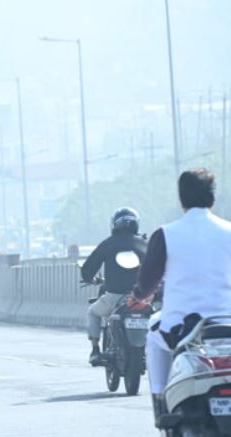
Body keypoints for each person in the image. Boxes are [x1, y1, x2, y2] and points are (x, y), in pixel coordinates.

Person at [130, 168, 231, 428]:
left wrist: (140, 296)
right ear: (212, 198)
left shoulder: (166, 234)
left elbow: (148, 281)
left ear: (181, 199)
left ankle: (160, 402)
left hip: (183, 329)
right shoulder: (229, 231)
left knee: (153, 334)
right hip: (227, 323)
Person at [81, 207, 148, 366]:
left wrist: (91, 279)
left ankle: (95, 350)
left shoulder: (108, 244)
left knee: (93, 312)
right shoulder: (146, 244)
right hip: (142, 298)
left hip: (114, 297)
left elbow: (87, 270)